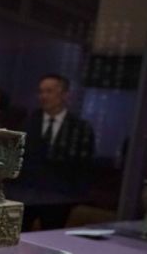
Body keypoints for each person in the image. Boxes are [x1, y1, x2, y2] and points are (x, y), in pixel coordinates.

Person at [20, 74, 95, 230]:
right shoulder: (29, 122)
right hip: (26, 195)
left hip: (59, 198)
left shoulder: (80, 128)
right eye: (41, 92)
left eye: (49, 91)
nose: (44, 96)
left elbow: (84, 165)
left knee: (51, 237)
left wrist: (76, 196)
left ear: (65, 95)